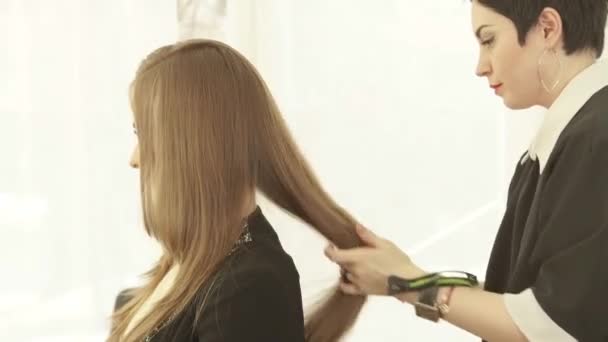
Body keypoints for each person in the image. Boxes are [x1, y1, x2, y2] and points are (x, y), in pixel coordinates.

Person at [325, 0, 608, 341]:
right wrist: (405, 277)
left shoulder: (595, 141)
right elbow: (527, 301)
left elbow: (552, 326)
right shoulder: (563, 144)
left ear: (548, 27)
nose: (480, 66)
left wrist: (407, 282)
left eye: (488, 40)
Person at [108, 39, 367, 342]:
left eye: (146, 133)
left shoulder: (250, 286)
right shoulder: (186, 272)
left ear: (196, 143)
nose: (134, 158)